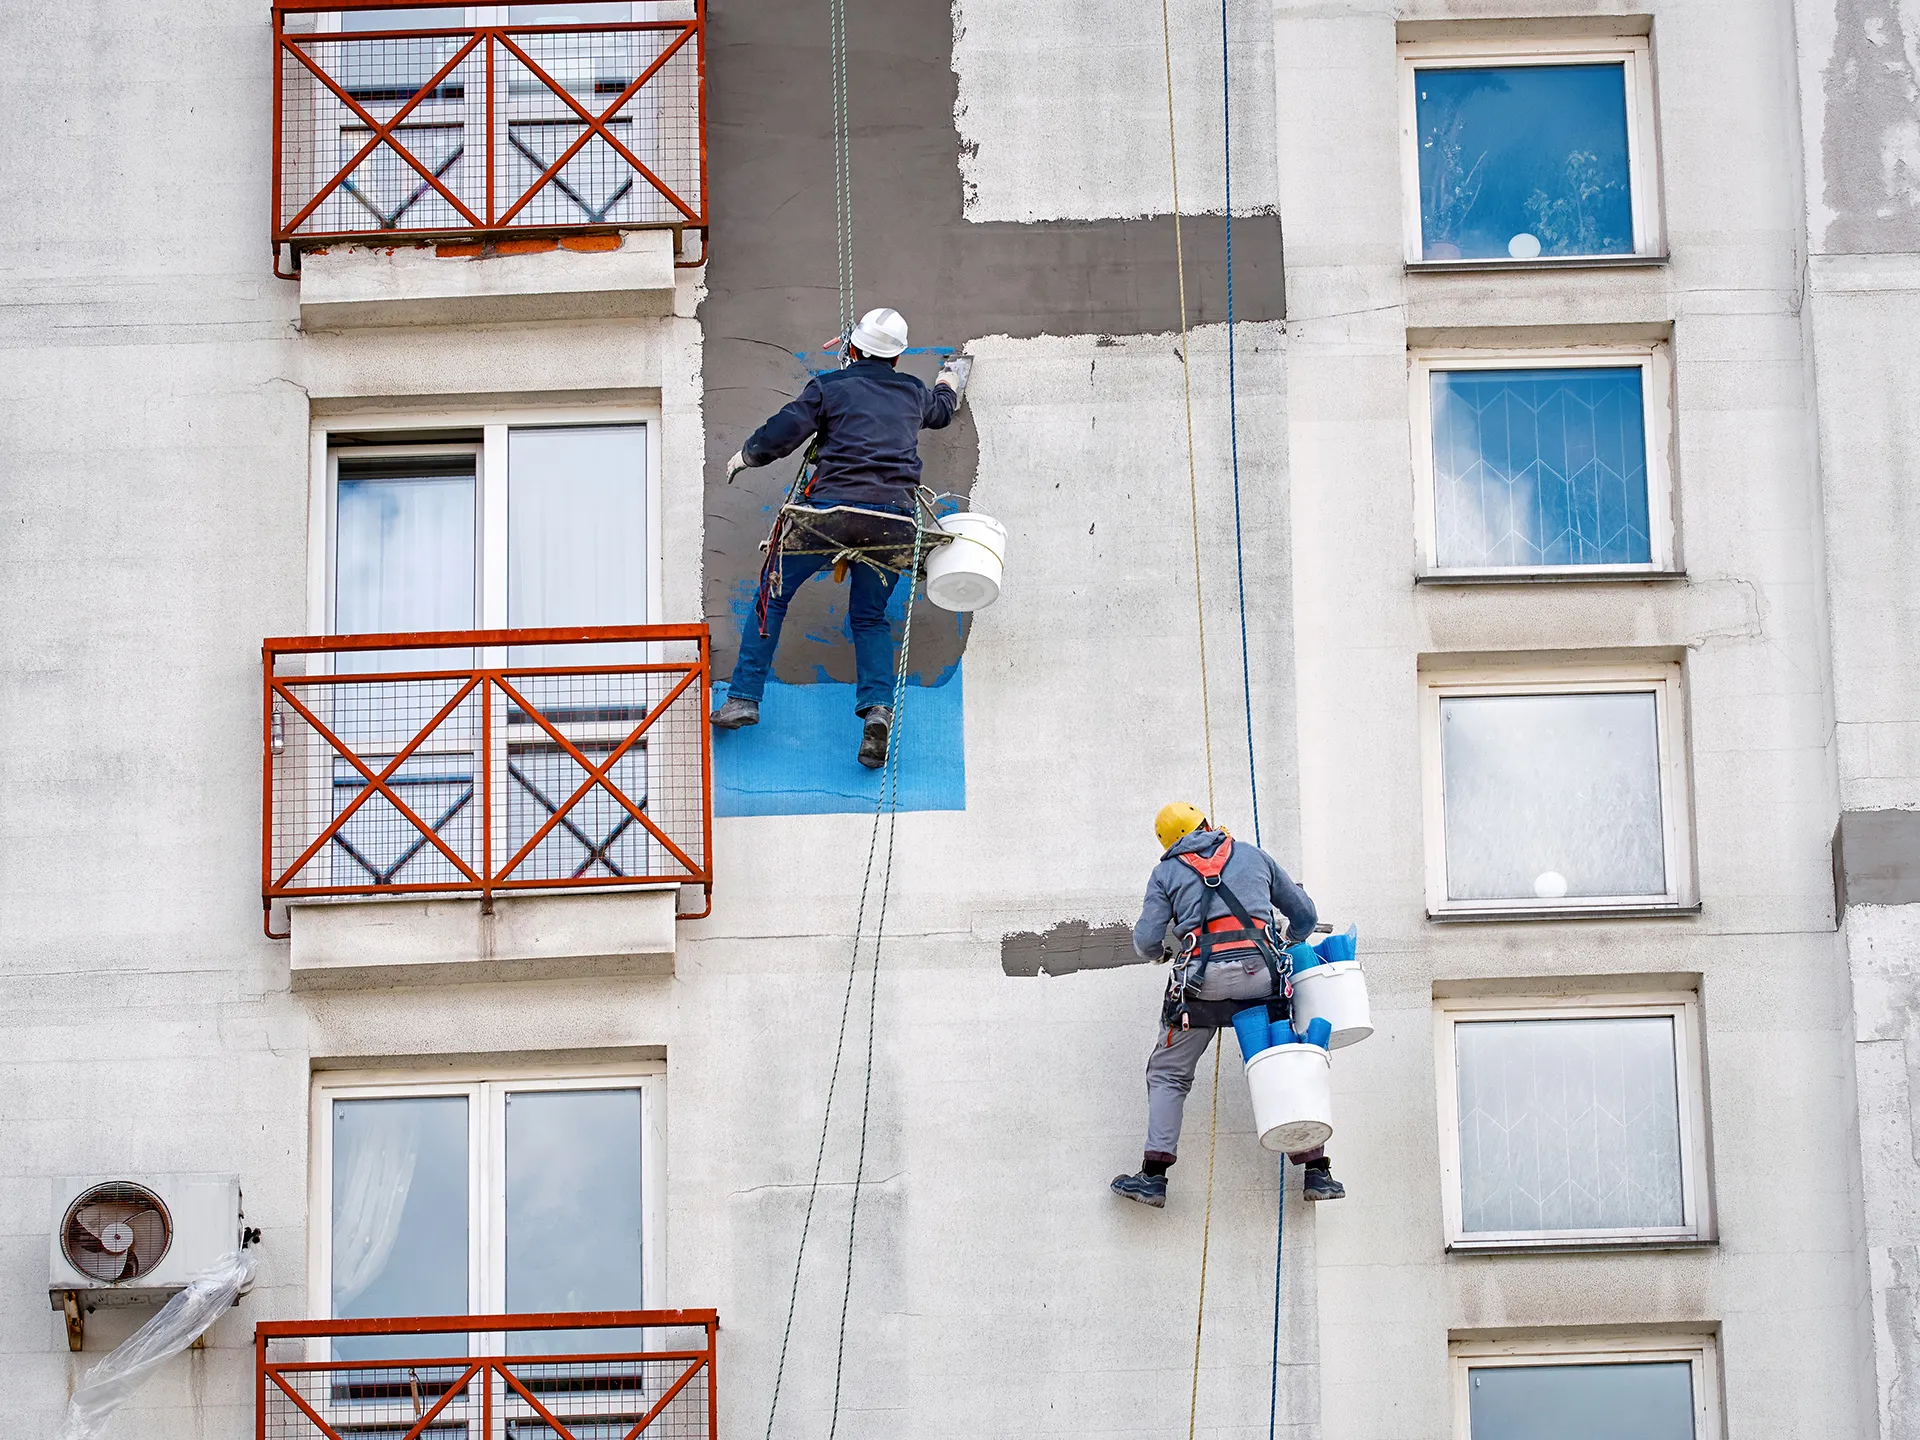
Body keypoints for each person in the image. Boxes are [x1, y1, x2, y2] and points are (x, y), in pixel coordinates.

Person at [710, 306, 971, 769]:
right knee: (869, 617)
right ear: (896, 359)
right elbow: (942, 410)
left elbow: (783, 433)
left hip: (831, 515)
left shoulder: (830, 388)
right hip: (892, 522)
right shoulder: (913, 392)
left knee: (774, 592)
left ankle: (745, 698)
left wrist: (746, 457)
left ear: (852, 349)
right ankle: (877, 710)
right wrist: (951, 377)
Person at [1111, 802, 1348, 1208]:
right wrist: (1289, 938)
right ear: (1207, 824)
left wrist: (1160, 954)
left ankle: (1153, 1178)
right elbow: (1305, 915)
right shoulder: (1254, 856)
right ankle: (1316, 1171)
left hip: (1202, 986)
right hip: (1262, 977)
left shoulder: (1166, 872)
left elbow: (1146, 940)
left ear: (1170, 843)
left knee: (1169, 1073)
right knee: (1286, 1060)